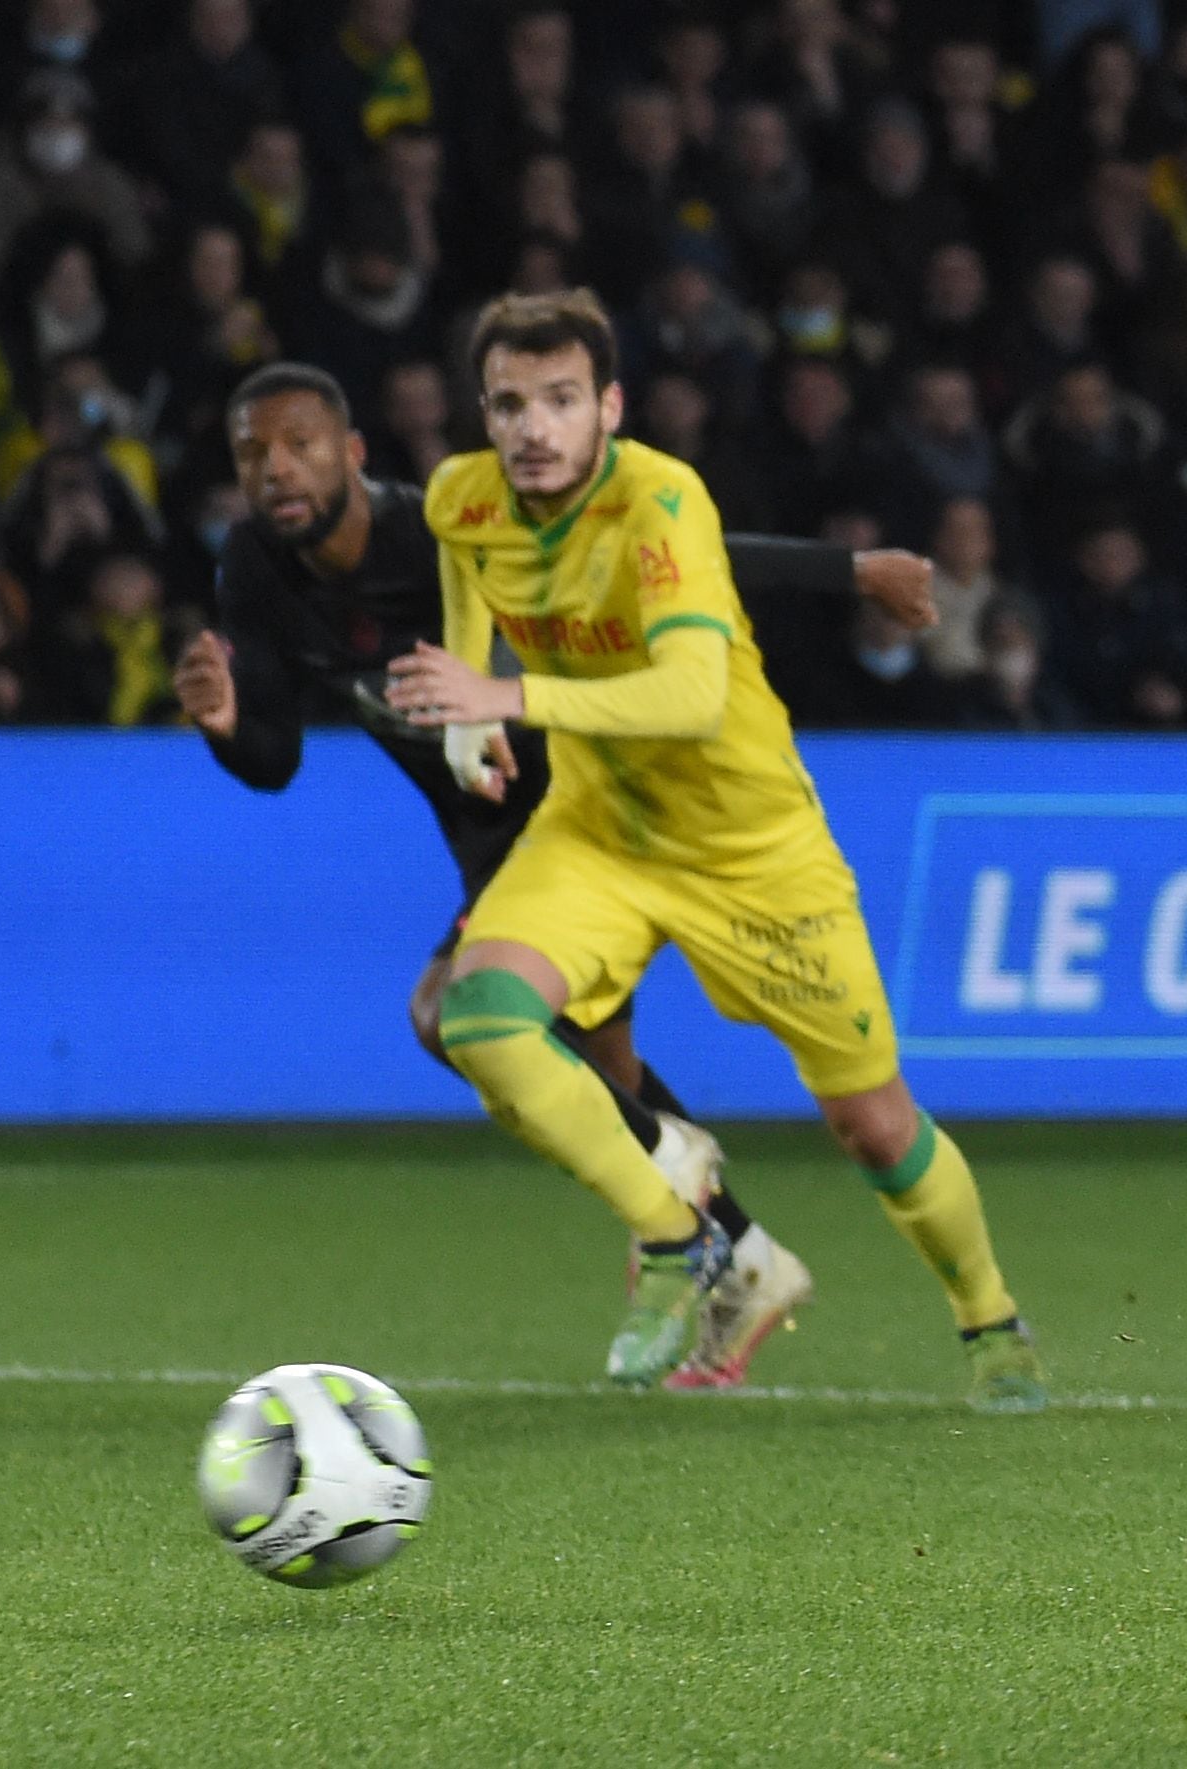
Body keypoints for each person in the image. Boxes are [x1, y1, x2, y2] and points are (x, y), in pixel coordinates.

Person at [172, 359, 936, 1393]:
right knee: (590, 1060)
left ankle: (696, 1195)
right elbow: (274, 756)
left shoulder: (438, 528)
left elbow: (669, 551)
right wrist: (225, 726)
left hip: (593, 809)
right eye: (252, 453)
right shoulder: (256, 569)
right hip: (497, 842)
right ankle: (740, 1250)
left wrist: (849, 571)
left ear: (353, 452)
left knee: (454, 1015)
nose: (276, 468)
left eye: (300, 443)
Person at [383, 292, 1048, 1409]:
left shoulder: (661, 502)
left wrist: (508, 691)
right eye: (509, 404)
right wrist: (466, 722)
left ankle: (991, 1316)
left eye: (559, 401)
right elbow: (465, 595)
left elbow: (691, 693)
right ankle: (674, 1235)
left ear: (610, 406)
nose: (532, 428)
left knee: (873, 1124)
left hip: (752, 850)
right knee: (480, 1016)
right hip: (598, 831)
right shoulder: (464, 497)